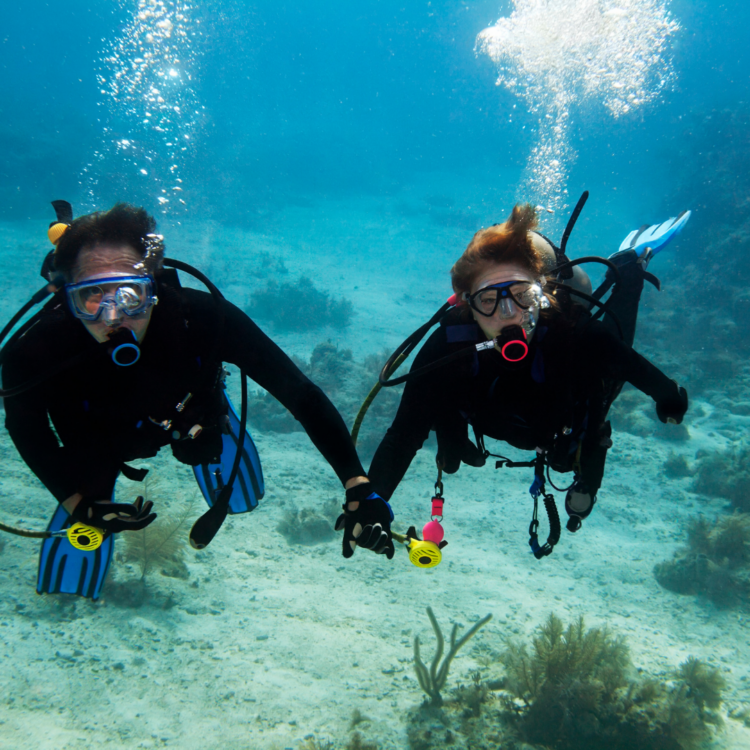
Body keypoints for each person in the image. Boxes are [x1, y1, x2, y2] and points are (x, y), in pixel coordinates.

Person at [0, 202, 385, 598]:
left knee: (204, 442)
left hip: (187, 416)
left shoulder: (201, 319)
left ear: (153, 287)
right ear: (66, 297)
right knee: (91, 494)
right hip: (98, 435)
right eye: (91, 296)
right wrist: (76, 502)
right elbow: (26, 429)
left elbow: (299, 393)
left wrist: (357, 483)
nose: (113, 316)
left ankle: (219, 426)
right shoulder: (34, 350)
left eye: (130, 293)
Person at [359, 202, 689, 559]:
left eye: (522, 296)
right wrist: (373, 500)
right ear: (468, 306)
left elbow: (631, 363)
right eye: (488, 300)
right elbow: (403, 435)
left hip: (564, 409)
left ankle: (629, 266)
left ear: (541, 293)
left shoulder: (573, 332)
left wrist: (668, 396)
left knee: (605, 371)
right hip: (499, 413)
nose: (507, 314)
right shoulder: (447, 348)